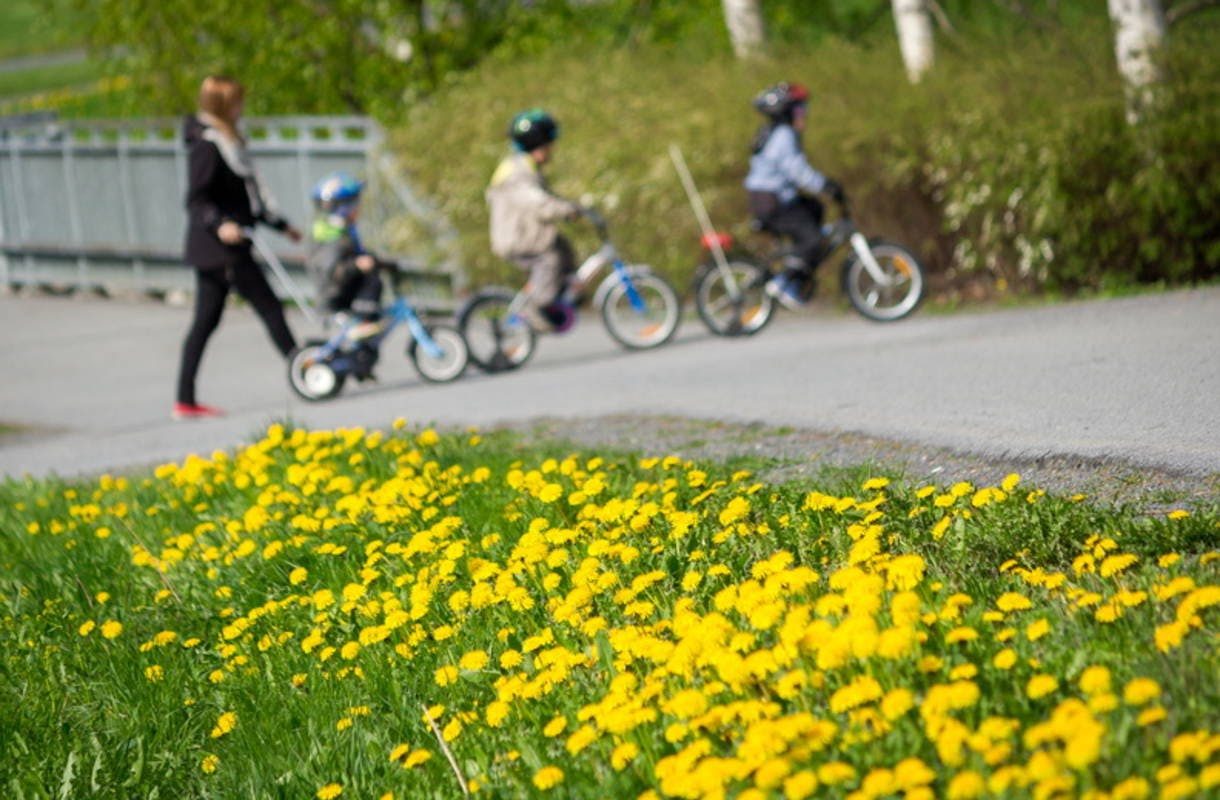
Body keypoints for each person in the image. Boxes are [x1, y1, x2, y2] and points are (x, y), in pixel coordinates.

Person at [175, 75, 302, 419]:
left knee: (205, 322)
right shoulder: (207, 145)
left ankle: (185, 401)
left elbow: (247, 198)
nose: (241, 107)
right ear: (221, 105)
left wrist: (282, 226)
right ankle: (305, 372)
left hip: (224, 246)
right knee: (270, 308)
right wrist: (222, 224)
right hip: (221, 250)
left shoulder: (229, 141)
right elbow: (197, 200)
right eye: (236, 102)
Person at [743, 81, 846, 310]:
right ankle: (783, 283)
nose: (804, 114)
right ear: (787, 111)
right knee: (814, 239)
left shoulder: (772, 133)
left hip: (769, 198)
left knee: (815, 209)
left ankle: (797, 268)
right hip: (771, 202)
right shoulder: (783, 136)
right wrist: (827, 186)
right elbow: (798, 171)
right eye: (800, 109)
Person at [486, 109, 584, 331]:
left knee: (563, 248)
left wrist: (570, 206)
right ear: (538, 144)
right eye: (549, 144)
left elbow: (546, 197)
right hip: (517, 237)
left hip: (526, 233)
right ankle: (538, 305)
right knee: (550, 259)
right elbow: (538, 204)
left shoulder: (524, 166)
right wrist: (566, 210)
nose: (552, 150)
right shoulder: (517, 173)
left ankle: (560, 296)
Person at [306, 171, 389, 381]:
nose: (358, 208)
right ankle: (362, 320)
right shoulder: (328, 233)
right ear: (339, 207)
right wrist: (356, 264)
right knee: (372, 280)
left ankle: (363, 355)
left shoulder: (346, 230)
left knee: (374, 276)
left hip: (344, 285)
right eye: (353, 203)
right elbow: (332, 270)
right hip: (335, 291)